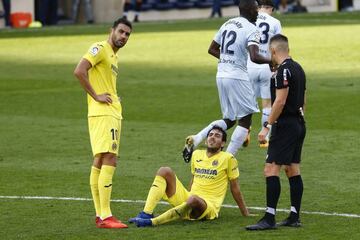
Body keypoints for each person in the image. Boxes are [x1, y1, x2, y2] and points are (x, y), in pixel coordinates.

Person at [183, 0, 272, 162]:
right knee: (245, 120)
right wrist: (272, 61)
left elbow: (212, 49)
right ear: (248, 10)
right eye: (255, 9)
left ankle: (197, 138)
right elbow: (254, 56)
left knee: (230, 120)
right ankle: (227, 159)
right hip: (237, 76)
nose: (257, 13)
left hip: (221, 75)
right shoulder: (252, 29)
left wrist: (227, 59)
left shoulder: (227, 23)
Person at [73, 17, 132, 229]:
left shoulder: (113, 57)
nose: (123, 37)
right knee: (110, 158)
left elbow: (104, 81)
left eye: (127, 35)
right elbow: (80, 71)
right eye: (121, 32)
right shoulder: (100, 48)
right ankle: (106, 216)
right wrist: (97, 95)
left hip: (110, 111)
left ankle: (101, 215)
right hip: (103, 114)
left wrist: (114, 96)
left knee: (99, 159)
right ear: (112, 30)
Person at [129, 126, 249, 227]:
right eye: (210, 135)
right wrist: (187, 200)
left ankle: (153, 222)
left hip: (209, 206)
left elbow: (235, 188)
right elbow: (193, 179)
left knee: (193, 199)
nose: (212, 137)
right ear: (206, 140)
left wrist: (245, 213)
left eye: (217, 136)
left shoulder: (228, 158)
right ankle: (146, 213)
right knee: (164, 171)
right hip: (191, 198)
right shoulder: (197, 154)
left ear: (223, 143)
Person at [246, 34, 306, 230]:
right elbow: (303, 98)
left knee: (271, 169)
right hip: (298, 123)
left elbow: (279, 101)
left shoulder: (282, 71)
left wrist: (267, 126)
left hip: (285, 125)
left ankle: (269, 218)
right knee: (292, 168)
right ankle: (294, 216)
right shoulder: (298, 68)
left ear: (273, 51)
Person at [247, 0, 282, 148]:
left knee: (248, 102)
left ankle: (244, 132)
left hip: (250, 64)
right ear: (271, 8)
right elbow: (279, 46)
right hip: (267, 65)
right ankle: (264, 137)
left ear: (259, 7)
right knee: (267, 103)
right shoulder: (275, 22)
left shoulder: (249, 20)